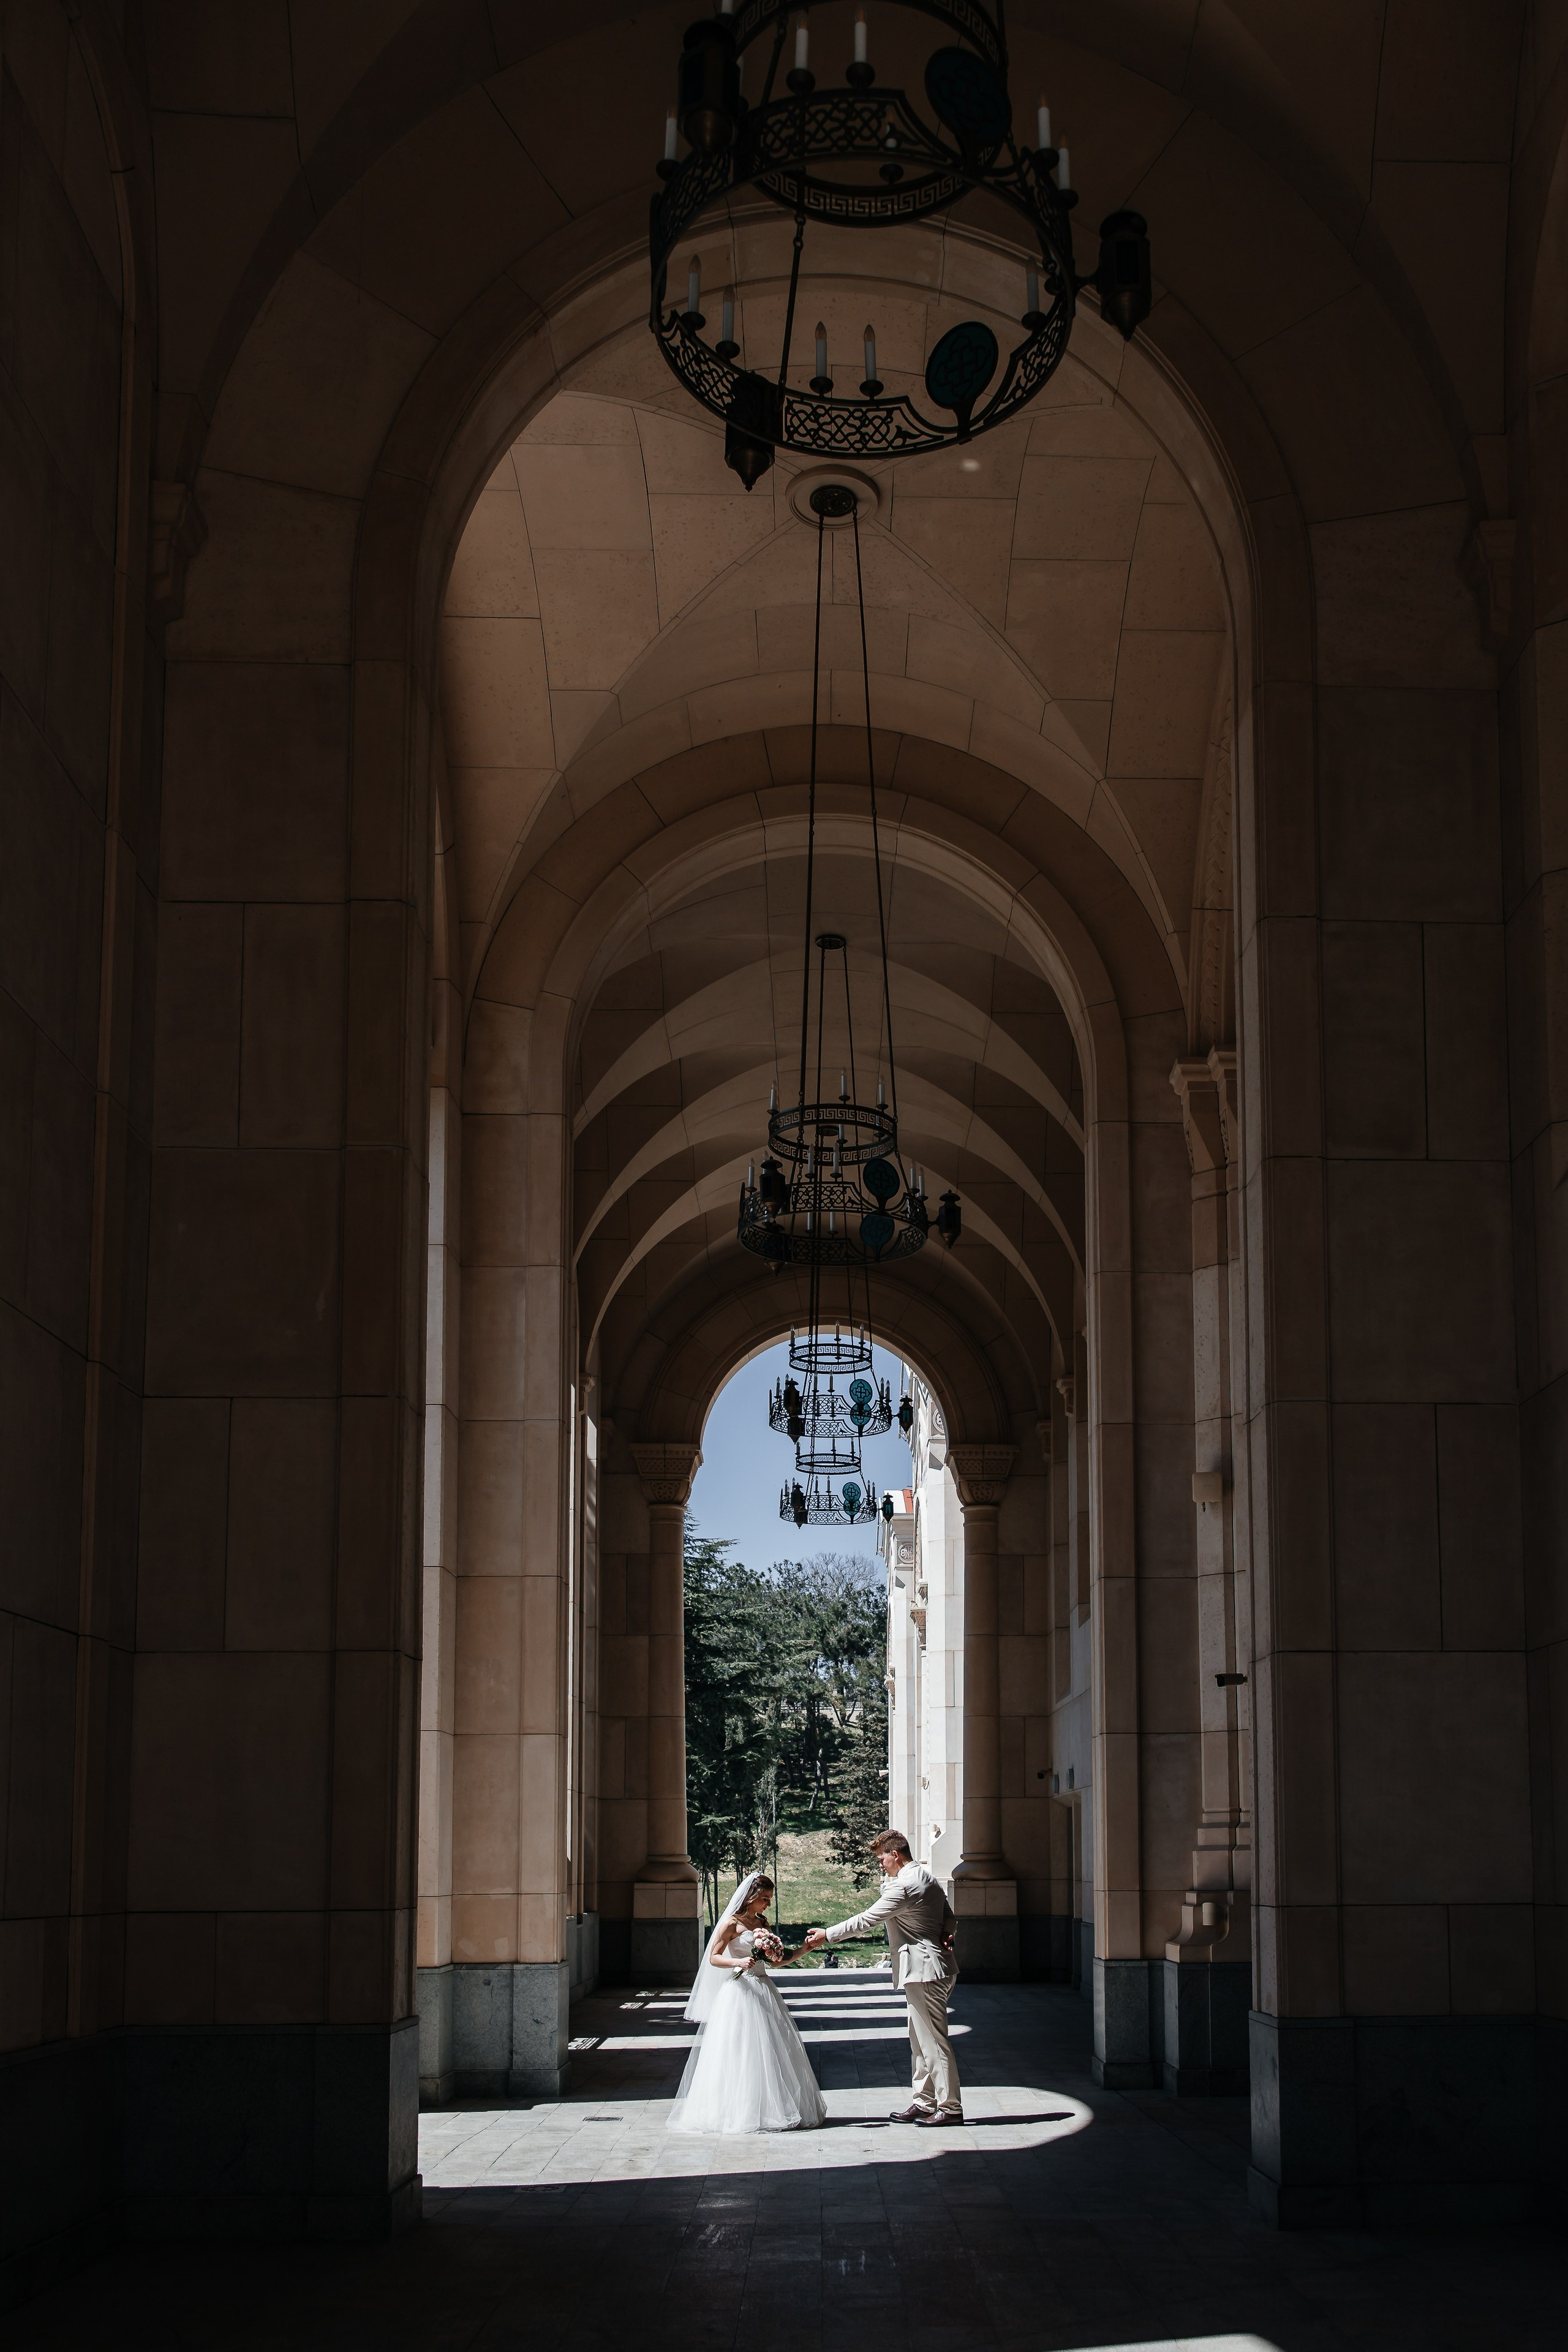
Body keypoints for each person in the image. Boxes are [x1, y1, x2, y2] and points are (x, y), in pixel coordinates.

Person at [804, 1828, 962, 2125]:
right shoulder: (927, 1877)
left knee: (933, 2043)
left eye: (881, 1858)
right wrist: (946, 1932)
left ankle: (950, 2107)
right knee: (920, 2040)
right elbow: (949, 1915)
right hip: (935, 1968)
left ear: (895, 1855)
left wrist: (827, 1935)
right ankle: (925, 2102)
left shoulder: (903, 1885)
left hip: (924, 1971)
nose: (880, 1864)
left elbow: (867, 1919)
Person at [667, 1869, 827, 2134]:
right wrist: (738, 1962)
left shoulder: (763, 1924)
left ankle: (770, 2107)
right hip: (740, 1991)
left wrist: (803, 1950)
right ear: (751, 1896)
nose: (767, 1903)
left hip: (764, 1988)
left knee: (771, 2050)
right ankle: (737, 2111)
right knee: (740, 2049)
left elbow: (777, 1961)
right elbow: (714, 1958)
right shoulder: (731, 1923)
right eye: (764, 1898)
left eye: (769, 1899)